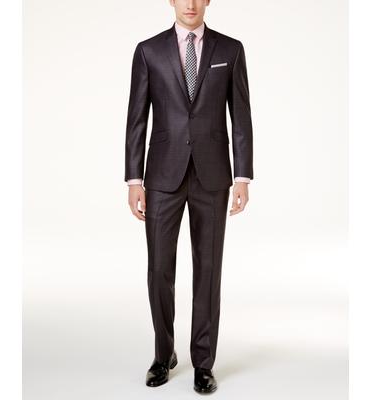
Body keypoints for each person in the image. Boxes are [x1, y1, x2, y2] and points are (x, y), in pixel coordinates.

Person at [124, 0, 253, 394]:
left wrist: (242, 176)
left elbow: (241, 117)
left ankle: (203, 363)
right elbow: (137, 118)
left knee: (208, 271)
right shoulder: (148, 51)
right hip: (162, 176)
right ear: (172, 1)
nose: (191, 4)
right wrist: (134, 180)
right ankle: (163, 354)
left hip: (212, 176)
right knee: (159, 270)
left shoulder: (230, 50)